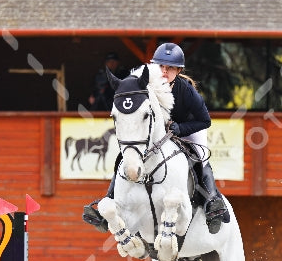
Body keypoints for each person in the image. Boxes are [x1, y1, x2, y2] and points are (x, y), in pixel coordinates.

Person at [82, 42, 230, 234]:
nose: (164, 71)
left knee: (201, 158)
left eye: (170, 68)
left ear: (179, 70)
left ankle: (212, 202)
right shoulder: (146, 84)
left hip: (188, 128)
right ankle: (108, 200)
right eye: (161, 66)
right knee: (127, 154)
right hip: (160, 133)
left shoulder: (186, 90)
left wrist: (180, 128)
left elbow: (205, 121)